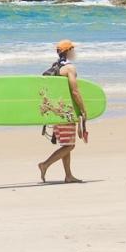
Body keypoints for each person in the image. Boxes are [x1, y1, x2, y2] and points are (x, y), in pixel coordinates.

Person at [38, 39, 86, 183]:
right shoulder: (70, 68)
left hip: (56, 111)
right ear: (69, 51)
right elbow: (75, 92)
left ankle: (68, 175)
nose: (75, 53)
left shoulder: (56, 67)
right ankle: (45, 164)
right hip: (66, 111)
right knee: (70, 145)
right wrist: (83, 110)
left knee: (66, 144)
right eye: (73, 50)